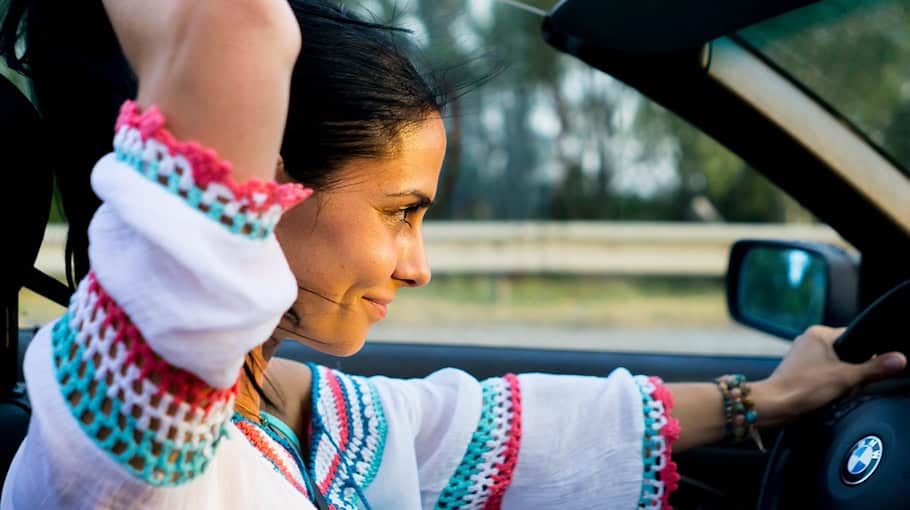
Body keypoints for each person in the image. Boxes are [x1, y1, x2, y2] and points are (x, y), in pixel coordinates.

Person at [1, 1, 906, 509]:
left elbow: (473, 425)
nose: (417, 263)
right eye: (400, 213)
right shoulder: (131, 438)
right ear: (260, 189)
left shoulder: (279, 407)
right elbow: (232, 25)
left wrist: (765, 398)